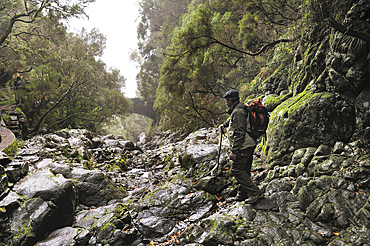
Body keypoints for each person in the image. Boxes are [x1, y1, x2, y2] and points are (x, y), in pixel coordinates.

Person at [219, 89, 263, 203]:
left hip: (244, 145)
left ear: (230, 100)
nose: (225, 102)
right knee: (245, 170)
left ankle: (255, 193)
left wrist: (234, 151)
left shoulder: (237, 112)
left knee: (236, 169)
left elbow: (239, 132)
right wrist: (224, 125)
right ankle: (242, 195)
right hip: (249, 144)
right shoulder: (240, 108)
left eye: (226, 100)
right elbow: (235, 120)